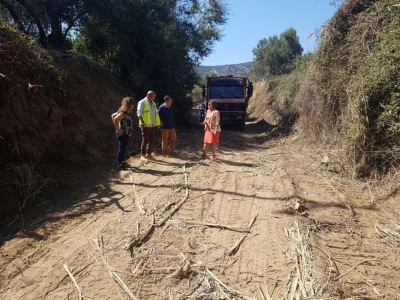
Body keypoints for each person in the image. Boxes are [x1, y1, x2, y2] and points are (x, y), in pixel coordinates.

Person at [111, 97, 136, 169]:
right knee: (122, 148)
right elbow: (115, 118)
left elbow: (113, 115)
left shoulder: (123, 111)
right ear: (130, 105)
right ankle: (119, 163)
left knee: (123, 148)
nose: (133, 106)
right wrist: (118, 129)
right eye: (132, 104)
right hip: (123, 134)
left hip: (124, 133)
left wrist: (117, 128)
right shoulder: (123, 113)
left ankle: (122, 161)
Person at [137, 91, 160, 161]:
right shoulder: (142, 102)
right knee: (145, 140)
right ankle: (143, 154)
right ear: (150, 96)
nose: (154, 98)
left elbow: (155, 114)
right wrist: (142, 122)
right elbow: (139, 114)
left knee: (151, 140)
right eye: (154, 97)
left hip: (152, 125)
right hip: (145, 125)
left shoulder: (153, 103)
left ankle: (149, 154)